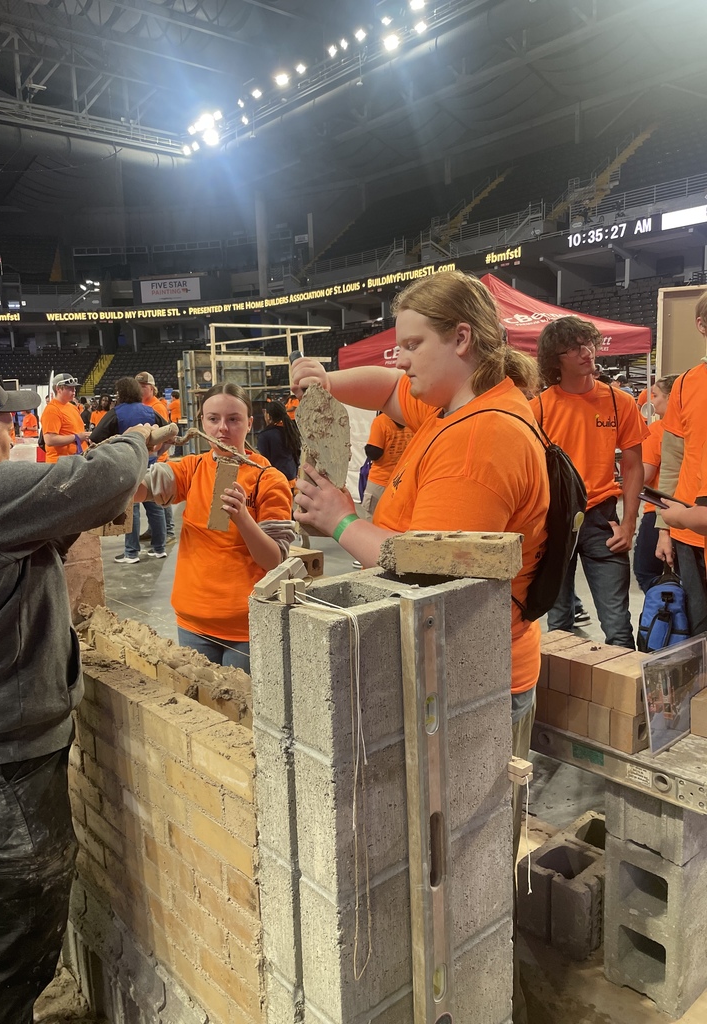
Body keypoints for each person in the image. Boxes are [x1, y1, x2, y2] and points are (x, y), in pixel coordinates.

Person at [291, 271, 549, 1024]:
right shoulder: (456, 402)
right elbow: (382, 389)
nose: (399, 361)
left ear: (462, 340)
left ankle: (481, 997)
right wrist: (325, 379)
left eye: (412, 344)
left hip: (476, 678)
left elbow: (430, 568)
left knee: (463, 873)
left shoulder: (479, 440)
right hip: (466, 671)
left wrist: (341, 521)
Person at [0, 356, 153, 1024]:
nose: (13, 434)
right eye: (6, 423)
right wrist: (138, 436)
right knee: (19, 933)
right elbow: (109, 474)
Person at [138, 383, 295, 674]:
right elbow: (138, 489)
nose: (223, 429)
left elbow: (273, 560)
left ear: (250, 423)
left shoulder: (268, 479)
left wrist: (243, 519)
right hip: (192, 621)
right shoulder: (192, 468)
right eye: (213, 419)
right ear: (201, 423)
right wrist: (134, 449)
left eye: (233, 419)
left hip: (245, 627)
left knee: (239, 714)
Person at [532, 316, 647, 648]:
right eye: (574, 348)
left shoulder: (618, 401)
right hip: (554, 520)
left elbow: (634, 465)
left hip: (602, 517)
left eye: (588, 344)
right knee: (558, 624)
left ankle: (626, 698)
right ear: (556, 358)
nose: (586, 353)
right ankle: (568, 697)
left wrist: (629, 524)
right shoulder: (537, 408)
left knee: (617, 625)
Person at [656, 292, 707, 635]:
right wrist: (664, 527)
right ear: (702, 326)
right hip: (688, 527)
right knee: (698, 629)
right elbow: (673, 460)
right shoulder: (687, 383)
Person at [91, 376, 170, 563]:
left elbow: (95, 437)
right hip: (150, 463)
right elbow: (169, 434)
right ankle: (159, 548)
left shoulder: (117, 413)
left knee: (131, 508)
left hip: (128, 465)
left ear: (120, 393)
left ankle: (131, 552)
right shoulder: (150, 411)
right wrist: (158, 453)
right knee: (155, 506)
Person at [633, 375, 677, 592]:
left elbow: (645, 475)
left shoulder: (658, 431)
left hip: (658, 511)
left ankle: (666, 613)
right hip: (688, 510)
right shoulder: (693, 429)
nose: (653, 400)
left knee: (646, 571)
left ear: (670, 398)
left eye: (656, 395)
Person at [136, 372, 176, 543]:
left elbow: (166, 435)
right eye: (138, 386)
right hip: (150, 458)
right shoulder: (143, 405)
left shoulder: (156, 406)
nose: (140, 389)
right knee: (154, 499)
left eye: (143, 386)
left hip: (157, 459)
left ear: (152, 388)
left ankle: (168, 532)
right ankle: (154, 530)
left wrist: (157, 454)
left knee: (161, 496)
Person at [361, 412, 414, 521]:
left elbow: (374, 453)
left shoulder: (381, 421)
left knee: (372, 521)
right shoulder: (412, 421)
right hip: (401, 483)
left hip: (380, 481)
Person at [41, 372, 91, 462]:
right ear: (58, 389)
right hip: (60, 463)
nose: (74, 391)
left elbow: (76, 431)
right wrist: (77, 437)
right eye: (70, 388)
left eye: (74, 388)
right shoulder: (52, 410)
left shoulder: (72, 407)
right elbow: (50, 440)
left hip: (76, 459)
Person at [256, 399, 301, 483]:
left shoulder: (265, 436)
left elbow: (263, 462)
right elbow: (297, 454)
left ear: (269, 416)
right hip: (291, 477)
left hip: (275, 481)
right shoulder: (290, 431)